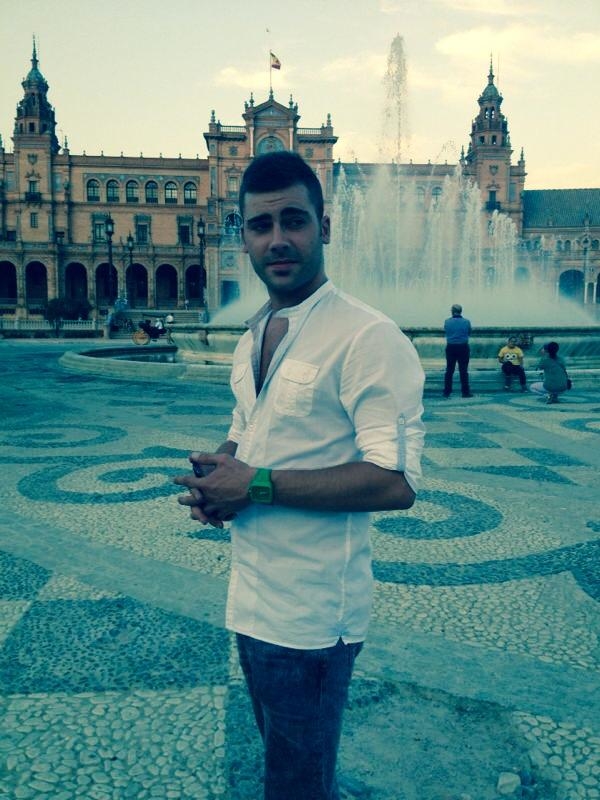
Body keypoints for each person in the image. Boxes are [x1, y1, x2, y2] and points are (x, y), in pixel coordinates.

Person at [174, 151, 425, 800]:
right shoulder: (252, 333)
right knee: (286, 765)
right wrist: (219, 475)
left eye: (294, 220)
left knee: (296, 784)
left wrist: (254, 483)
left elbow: (395, 481)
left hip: (314, 619)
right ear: (244, 238)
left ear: (325, 226)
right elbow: (249, 427)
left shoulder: (368, 337)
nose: (277, 239)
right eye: (261, 226)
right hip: (250, 600)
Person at [443, 303, 473, 398]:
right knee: (463, 370)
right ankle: (465, 392)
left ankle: (447, 391)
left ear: (452, 311)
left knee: (449, 370)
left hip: (451, 347)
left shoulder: (447, 321)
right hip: (463, 347)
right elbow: (469, 332)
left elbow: (446, 331)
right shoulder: (466, 322)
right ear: (461, 311)